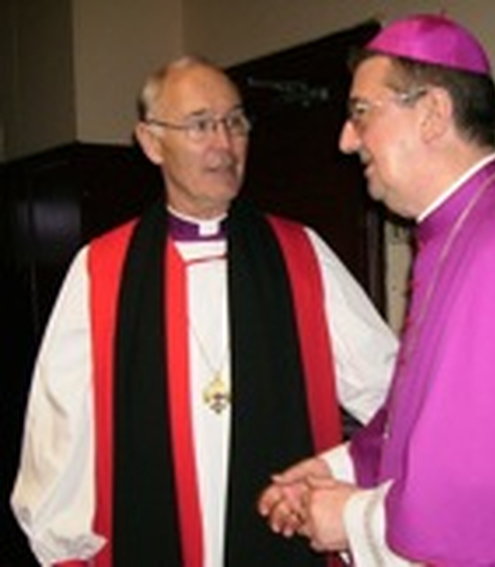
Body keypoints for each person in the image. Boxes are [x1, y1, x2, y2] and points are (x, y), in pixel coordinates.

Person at [258, 13, 495, 567]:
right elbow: (437, 415)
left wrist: (350, 520)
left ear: (434, 113)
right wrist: (340, 468)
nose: (345, 140)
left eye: (361, 113)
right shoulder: (485, 224)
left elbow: (494, 502)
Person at [10, 55, 398, 567]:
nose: (224, 143)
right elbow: (59, 437)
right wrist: (61, 548)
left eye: (235, 122)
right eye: (199, 125)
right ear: (151, 142)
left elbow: (391, 395)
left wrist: (367, 509)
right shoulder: (101, 270)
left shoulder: (301, 254)